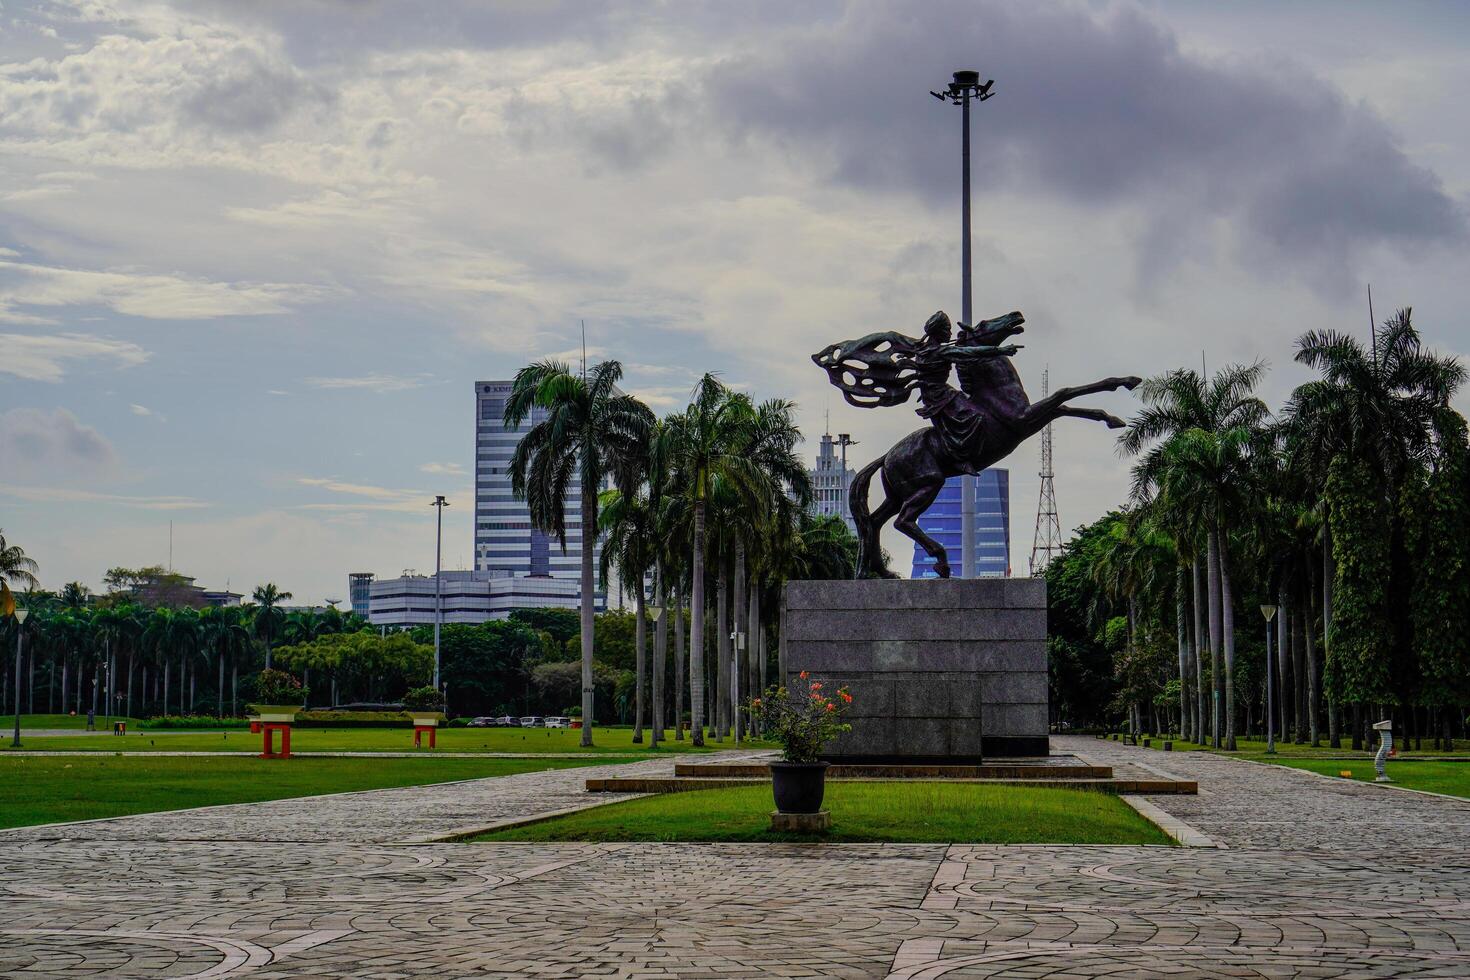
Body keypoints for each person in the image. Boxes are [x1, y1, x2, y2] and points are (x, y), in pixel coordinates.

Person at [901, 311, 1018, 472]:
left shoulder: (923, 350)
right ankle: (960, 455)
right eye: (948, 330)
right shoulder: (941, 352)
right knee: (974, 417)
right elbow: (969, 353)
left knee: (957, 420)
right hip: (941, 395)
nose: (950, 333)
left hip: (931, 395)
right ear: (940, 332)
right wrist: (1000, 350)